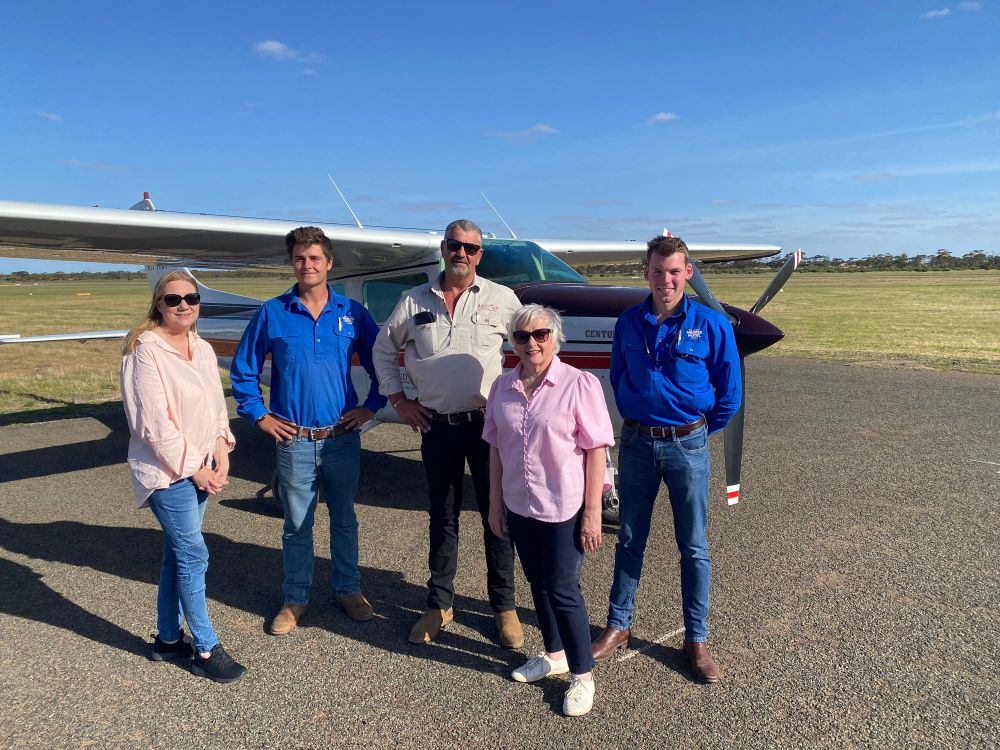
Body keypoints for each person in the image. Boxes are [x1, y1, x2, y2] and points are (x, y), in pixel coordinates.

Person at [591, 235, 741, 683]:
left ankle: (696, 638)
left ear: (687, 273)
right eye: (658, 271)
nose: (666, 280)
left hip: (688, 446)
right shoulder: (627, 323)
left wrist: (694, 434)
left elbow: (729, 395)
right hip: (637, 444)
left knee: (693, 546)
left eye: (674, 271)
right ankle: (619, 626)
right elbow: (618, 378)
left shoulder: (711, 325)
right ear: (647, 274)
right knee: (630, 537)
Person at [373, 219, 524, 647]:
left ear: (480, 254)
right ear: (443, 248)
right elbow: (383, 350)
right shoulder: (413, 300)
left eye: (471, 248)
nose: (462, 253)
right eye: (455, 246)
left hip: (488, 426)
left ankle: (504, 606)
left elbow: (532, 348)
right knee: (443, 515)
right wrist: (399, 400)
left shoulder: (502, 299)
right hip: (437, 426)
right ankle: (439, 603)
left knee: (498, 514)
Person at [230, 226, 386, 635]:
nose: (307, 265)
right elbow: (244, 369)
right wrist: (259, 415)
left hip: (341, 438)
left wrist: (371, 407)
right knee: (296, 523)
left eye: (315, 258)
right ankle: (295, 599)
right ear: (292, 263)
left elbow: (381, 365)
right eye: (300, 258)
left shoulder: (352, 313)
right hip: (294, 440)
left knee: (344, 519)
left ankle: (349, 590)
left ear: (329, 263)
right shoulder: (273, 312)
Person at [484, 304, 613, 717]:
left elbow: (596, 451)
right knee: (537, 583)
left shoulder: (579, 384)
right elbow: (495, 451)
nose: (532, 343)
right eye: (522, 336)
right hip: (520, 504)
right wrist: (494, 504)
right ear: (512, 342)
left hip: (564, 506)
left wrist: (593, 512)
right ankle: (554, 653)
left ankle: (582, 675)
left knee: (562, 589)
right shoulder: (502, 387)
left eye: (540, 334)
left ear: (556, 338)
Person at [121, 270, 246, 683]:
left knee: (177, 555)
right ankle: (206, 648)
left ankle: (169, 639)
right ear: (158, 303)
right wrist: (195, 469)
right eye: (173, 299)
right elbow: (152, 424)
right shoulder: (145, 350)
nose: (183, 306)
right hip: (165, 472)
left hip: (200, 468)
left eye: (191, 298)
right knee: (194, 555)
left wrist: (222, 450)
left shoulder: (202, 348)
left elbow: (213, 406)